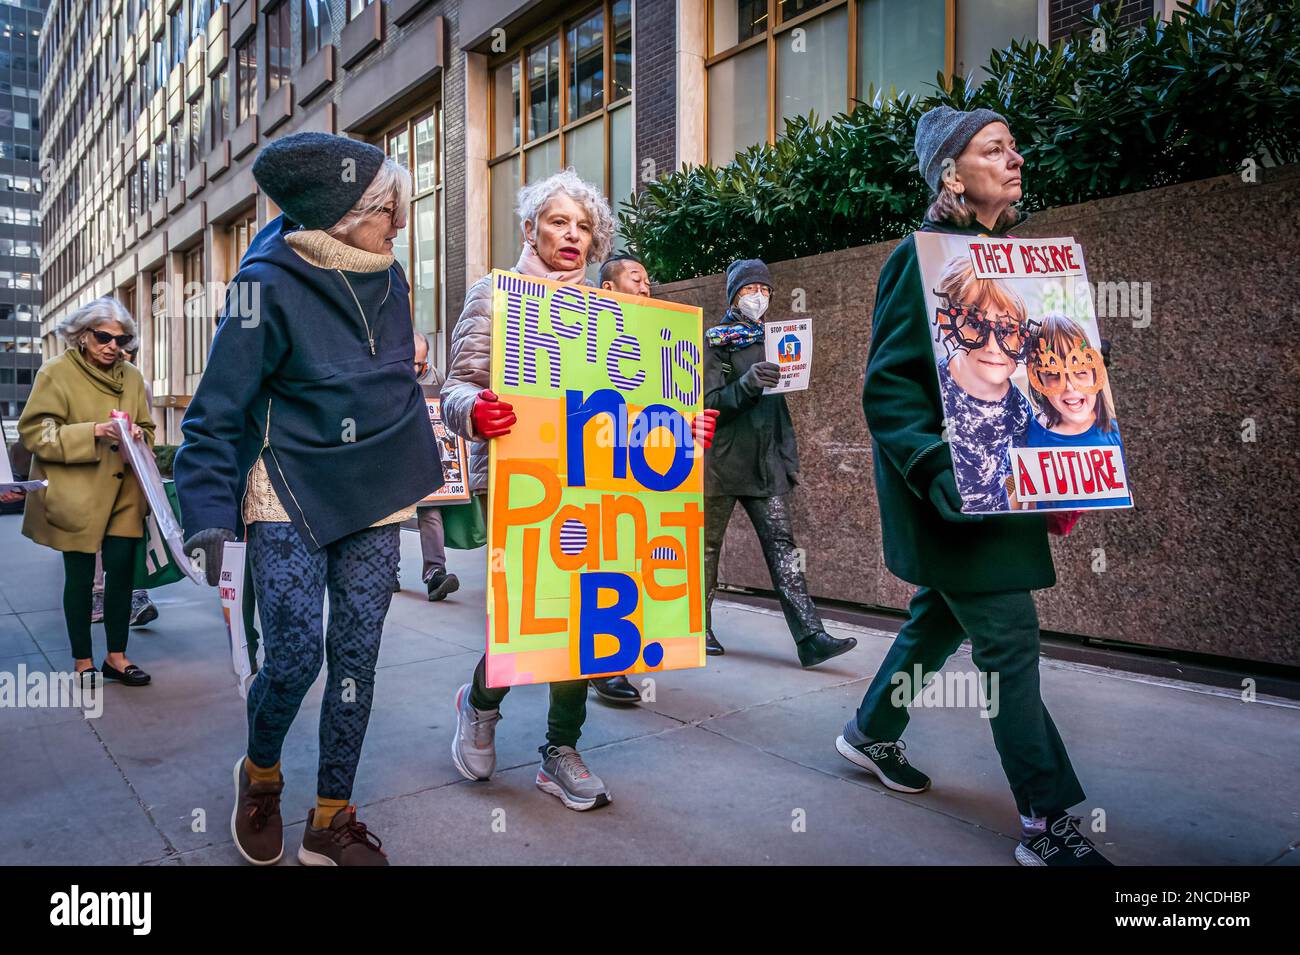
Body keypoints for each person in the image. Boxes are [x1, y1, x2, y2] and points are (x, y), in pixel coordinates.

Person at [838, 106, 1111, 866]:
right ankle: (1045, 819)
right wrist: (932, 468)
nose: (1016, 158)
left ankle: (869, 732)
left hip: (1006, 489)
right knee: (1009, 639)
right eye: (995, 149)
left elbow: (1027, 378)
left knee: (938, 620)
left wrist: (1083, 350)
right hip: (952, 497)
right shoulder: (917, 258)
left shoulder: (1019, 264)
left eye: (1015, 146)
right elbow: (887, 388)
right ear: (952, 175)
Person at [174, 131, 442, 866]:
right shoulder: (265, 284)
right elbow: (218, 408)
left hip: (377, 484)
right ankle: (260, 773)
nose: (401, 221)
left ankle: (331, 816)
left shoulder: (391, 274)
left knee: (356, 655)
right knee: (292, 655)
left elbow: (387, 374)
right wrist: (204, 511)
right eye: (389, 208)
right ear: (344, 213)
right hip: (287, 481)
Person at [441, 168, 715, 811]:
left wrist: (683, 428)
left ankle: (560, 749)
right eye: (559, 221)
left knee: (590, 621)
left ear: (597, 242)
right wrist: (476, 411)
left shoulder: (620, 315)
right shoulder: (494, 295)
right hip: (522, 481)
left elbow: (644, 404)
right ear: (530, 227)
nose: (572, 234)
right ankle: (479, 703)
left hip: (604, 481)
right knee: (530, 617)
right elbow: (455, 388)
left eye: (585, 226)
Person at [701, 259, 857, 667]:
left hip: (766, 464)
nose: (759, 297)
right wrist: (749, 382)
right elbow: (707, 404)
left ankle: (810, 637)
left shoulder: (777, 339)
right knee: (706, 549)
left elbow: (779, 412)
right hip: (719, 462)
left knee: (784, 550)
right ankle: (697, 628)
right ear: (734, 295)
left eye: (766, 290)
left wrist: (787, 458)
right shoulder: (716, 340)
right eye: (751, 289)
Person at [18, 297, 155, 687]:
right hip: (76, 492)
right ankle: (83, 662)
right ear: (82, 335)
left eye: (123, 339)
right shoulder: (55, 373)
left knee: (123, 576)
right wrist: (94, 430)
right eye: (104, 337)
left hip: (125, 489)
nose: (115, 346)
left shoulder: (132, 377)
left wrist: (140, 433)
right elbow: (35, 433)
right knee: (79, 579)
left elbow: (147, 426)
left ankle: (116, 657)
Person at [1012, 313, 1129, 510]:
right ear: (1039, 379)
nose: (1069, 387)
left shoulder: (1117, 436)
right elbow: (1021, 506)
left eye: (1081, 370)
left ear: (1095, 372)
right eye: (1053, 374)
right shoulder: (1029, 435)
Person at [91, 345, 160, 628]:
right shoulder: (82, 383)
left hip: (131, 473)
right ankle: (97, 594)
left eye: (127, 349)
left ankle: (135, 592)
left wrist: (141, 435)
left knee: (132, 534)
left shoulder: (139, 384)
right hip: (93, 473)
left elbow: (147, 427)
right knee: (95, 536)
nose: (121, 354)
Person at [408, 330, 460, 601]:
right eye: (411, 362)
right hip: (393, 458)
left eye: (422, 364)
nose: (417, 369)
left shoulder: (435, 376)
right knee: (389, 516)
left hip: (425, 456)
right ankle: (387, 573)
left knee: (431, 512)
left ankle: (435, 574)